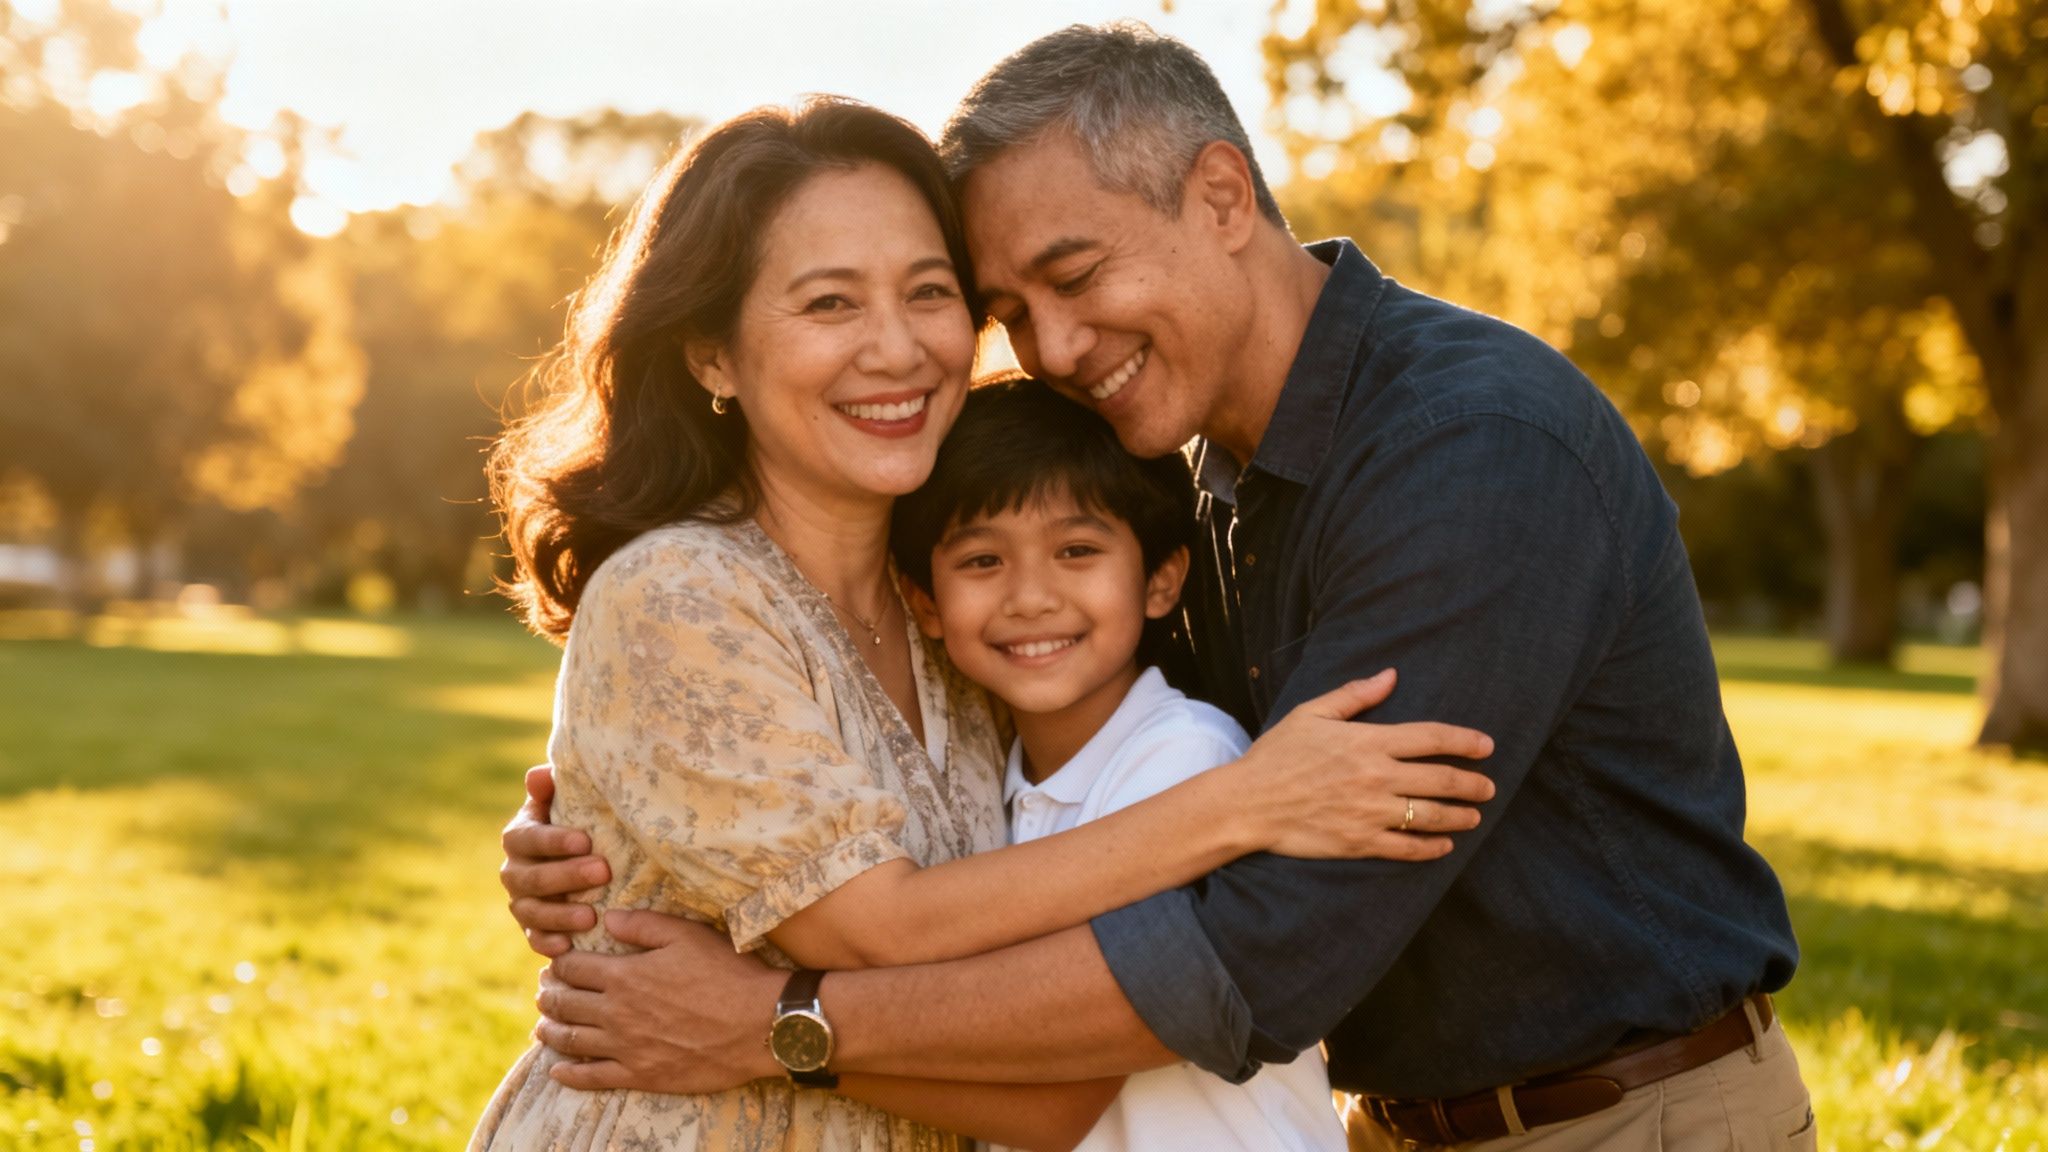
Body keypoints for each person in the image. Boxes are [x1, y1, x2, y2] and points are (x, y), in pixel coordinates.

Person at [502, 21, 1816, 1152]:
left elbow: (1249, 954)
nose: (1056, 349)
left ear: (1224, 198)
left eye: (1072, 277)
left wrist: (775, 1021)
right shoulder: (1171, 496)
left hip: (1623, 1123)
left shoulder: (1466, 456)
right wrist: (629, 850)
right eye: (1013, 307)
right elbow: (1048, 813)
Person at [471, 94, 1497, 1152]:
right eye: (828, 304)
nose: (897, 348)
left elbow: (1055, 1078)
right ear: (710, 355)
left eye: (929, 294)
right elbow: (877, 926)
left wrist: (731, 997)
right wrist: (1248, 801)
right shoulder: (681, 592)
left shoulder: (959, 621)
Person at [886, 377, 1348, 1152]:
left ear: (1162, 579)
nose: (1030, 596)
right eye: (981, 559)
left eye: (1076, 551)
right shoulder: (985, 785)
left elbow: (1058, 1093)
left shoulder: (1185, 759)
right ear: (926, 603)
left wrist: (761, 1034)